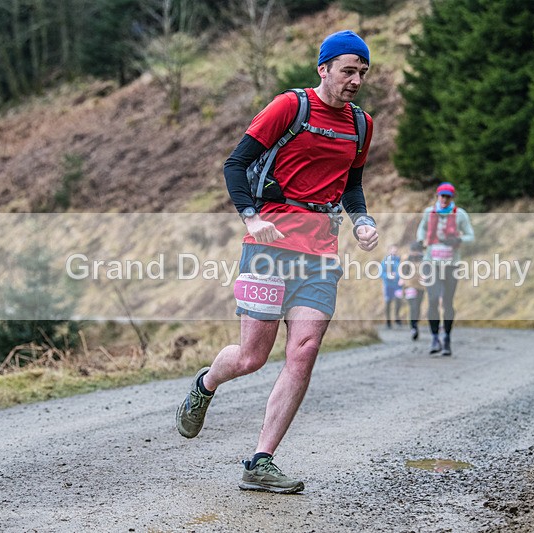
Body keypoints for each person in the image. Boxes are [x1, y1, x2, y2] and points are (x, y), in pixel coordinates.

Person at [176, 30, 379, 494]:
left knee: (303, 352)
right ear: (323, 68)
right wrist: (252, 217)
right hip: (268, 248)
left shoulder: (362, 125)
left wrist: (362, 221)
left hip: (321, 253)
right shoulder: (291, 107)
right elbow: (235, 164)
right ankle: (206, 384)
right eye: (347, 70)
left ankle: (260, 461)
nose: (355, 80)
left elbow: (352, 186)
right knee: (252, 357)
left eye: (362, 73)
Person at [415, 182, 474, 356]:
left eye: (448, 196)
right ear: (437, 196)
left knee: (447, 302)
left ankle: (446, 337)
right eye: (442, 195)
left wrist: (458, 240)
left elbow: (471, 235)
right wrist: (420, 241)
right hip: (431, 263)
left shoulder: (460, 215)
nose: (444, 199)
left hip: (451, 264)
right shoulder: (429, 213)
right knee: (433, 299)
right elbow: (422, 229)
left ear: (452, 197)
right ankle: (434, 338)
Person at [401, 241, 425, 340]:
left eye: (416, 251)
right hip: (409, 285)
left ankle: (415, 323)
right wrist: (402, 279)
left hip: (421, 286)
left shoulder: (424, 259)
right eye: (413, 251)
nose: (414, 253)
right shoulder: (406, 259)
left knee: (418, 307)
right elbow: (402, 271)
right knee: (413, 306)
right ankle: (413, 328)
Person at [380, 244, 403, 328]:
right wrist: (389, 275)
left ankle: (397, 318)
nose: (394, 252)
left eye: (395, 250)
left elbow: (403, 271)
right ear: (389, 251)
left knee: (399, 302)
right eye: (392, 250)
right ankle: (388, 321)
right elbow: (381, 274)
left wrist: (401, 278)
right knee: (388, 302)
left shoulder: (400, 261)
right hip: (388, 285)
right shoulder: (385, 261)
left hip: (398, 285)